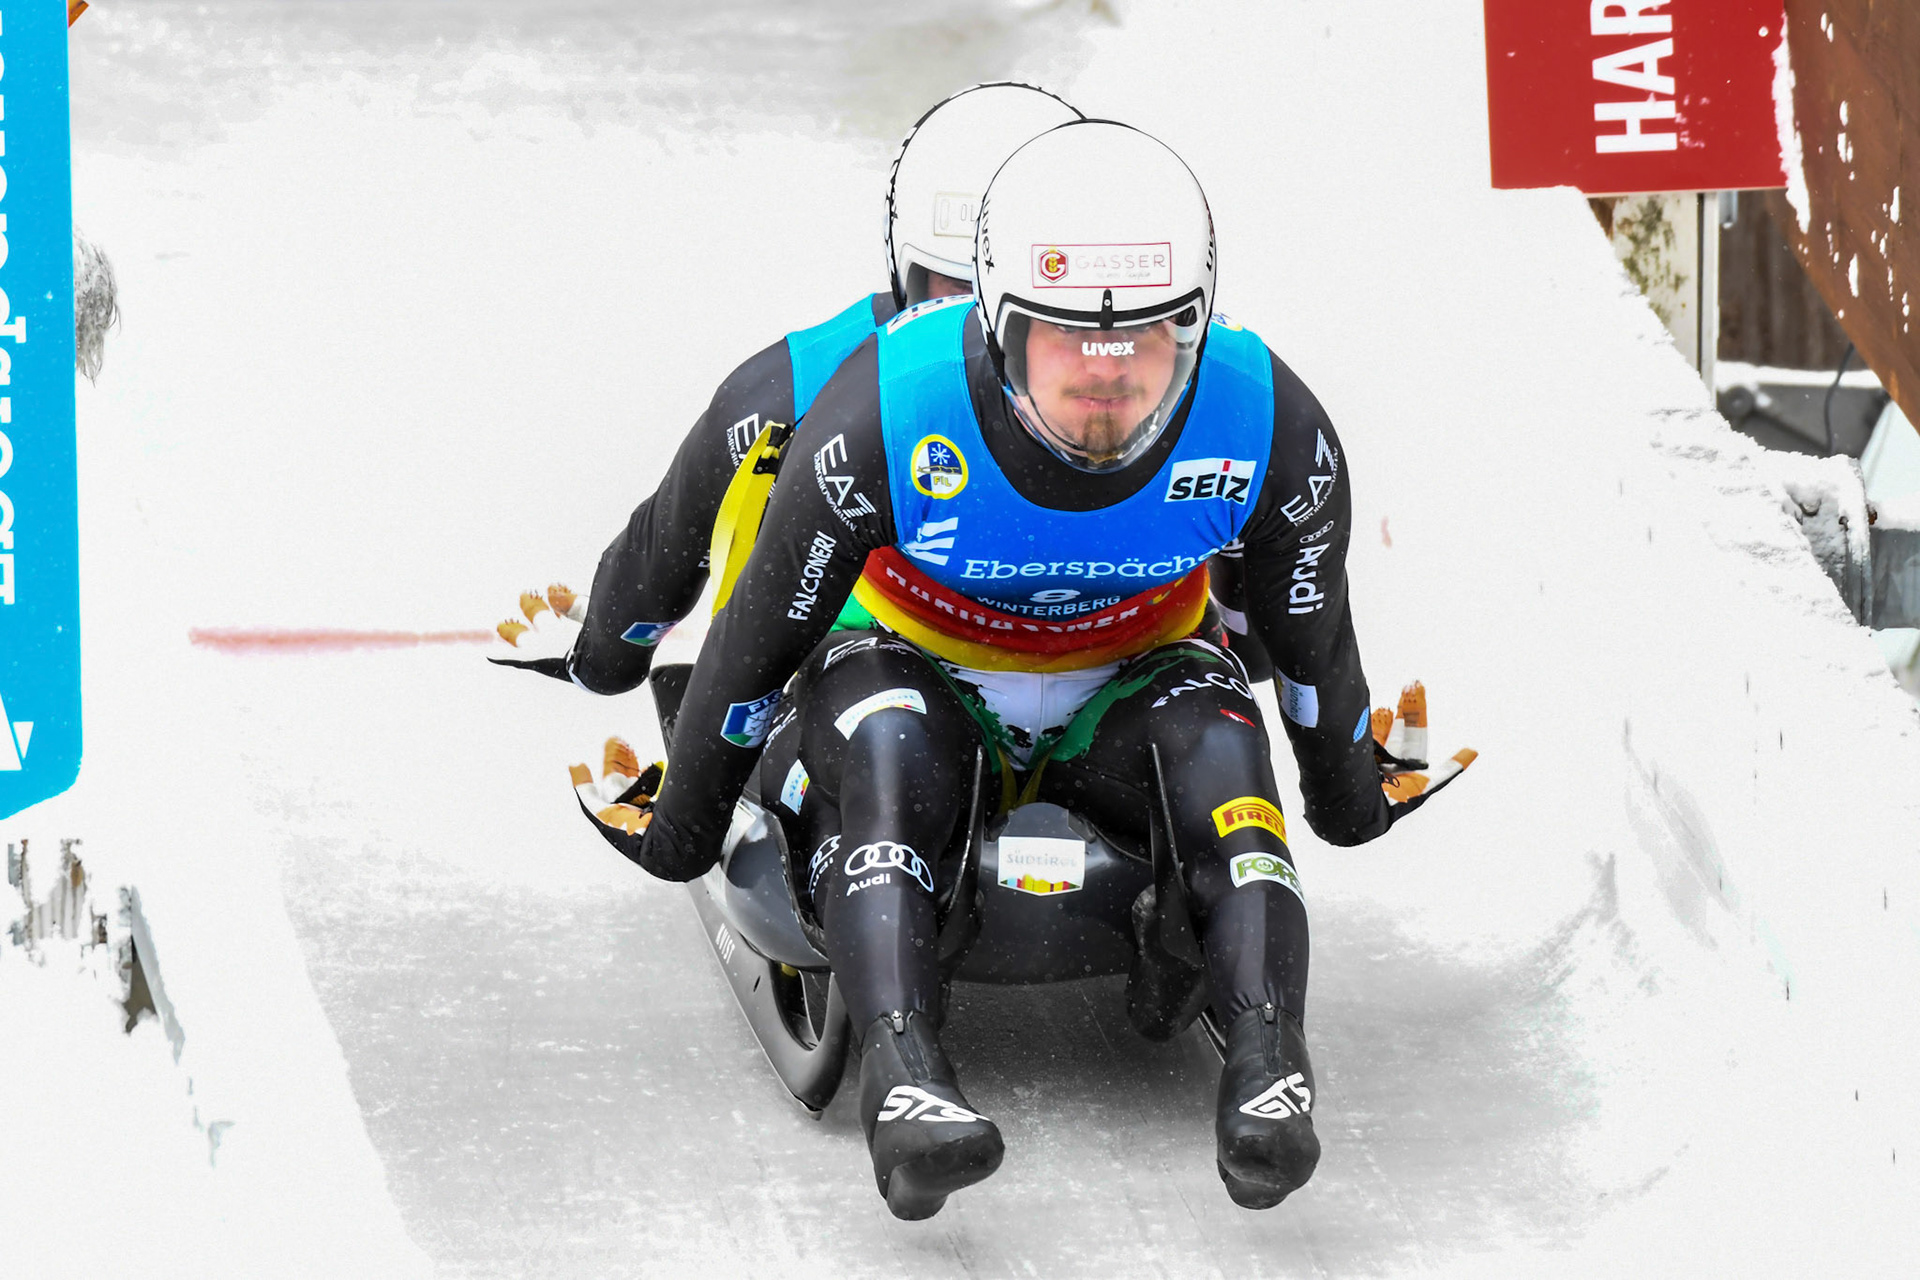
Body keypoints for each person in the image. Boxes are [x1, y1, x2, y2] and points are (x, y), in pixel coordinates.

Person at [614, 119, 1474, 1219]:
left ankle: (1271, 1065)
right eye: (1068, 341)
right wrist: (685, 826)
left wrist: (1347, 797)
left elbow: (1312, 635)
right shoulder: (889, 405)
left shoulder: (1268, 418)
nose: (1106, 378)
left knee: (1219, 735)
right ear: (999, 324)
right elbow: (757, 637)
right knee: (886, 735)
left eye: (1146, 342)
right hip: (916, 668)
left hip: (1133, 676)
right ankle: (906, 1078)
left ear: (1198, 326)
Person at [492, 82, 1084, 695]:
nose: (987, 340)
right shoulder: (784, 397)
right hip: (881, 673)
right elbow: (665, 548)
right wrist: (605, 659)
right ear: (903, 272)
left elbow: (651, 572)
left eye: (1036, 314)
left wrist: (606, 657)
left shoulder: (790, 386)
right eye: (958, 294)